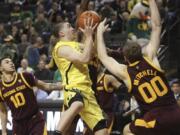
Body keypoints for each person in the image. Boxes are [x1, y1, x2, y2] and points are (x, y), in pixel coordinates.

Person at [96, 0, 180, 135]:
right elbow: (157, 26)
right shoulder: (151, 59)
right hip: (176, 114)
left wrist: (99, 33)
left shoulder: (126, 72)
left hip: (156, 119)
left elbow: (103, 57)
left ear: (125, 58)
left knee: (126, 130)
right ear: (141, 52)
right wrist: (152, 1)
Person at [52, 18, 108, 135]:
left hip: (88, 91)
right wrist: (88, 37)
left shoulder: (75, 44)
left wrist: (97, 33)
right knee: (78, 104)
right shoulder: (61, 47)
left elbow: (93, 52)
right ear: (61, 33)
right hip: (73, 87)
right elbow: (84, 59)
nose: (73, 28)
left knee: (102, 129)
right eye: (69, 26)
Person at [0, 56, 63, 135]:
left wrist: (64, 86)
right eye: (7, 62)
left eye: (11, 61)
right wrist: (4, 131)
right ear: (1, 68)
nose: (11, 63)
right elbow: (3, 111)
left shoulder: (25, 76)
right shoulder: (1, 88)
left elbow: (46, 86)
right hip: (18, 125)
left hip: (35, 120)